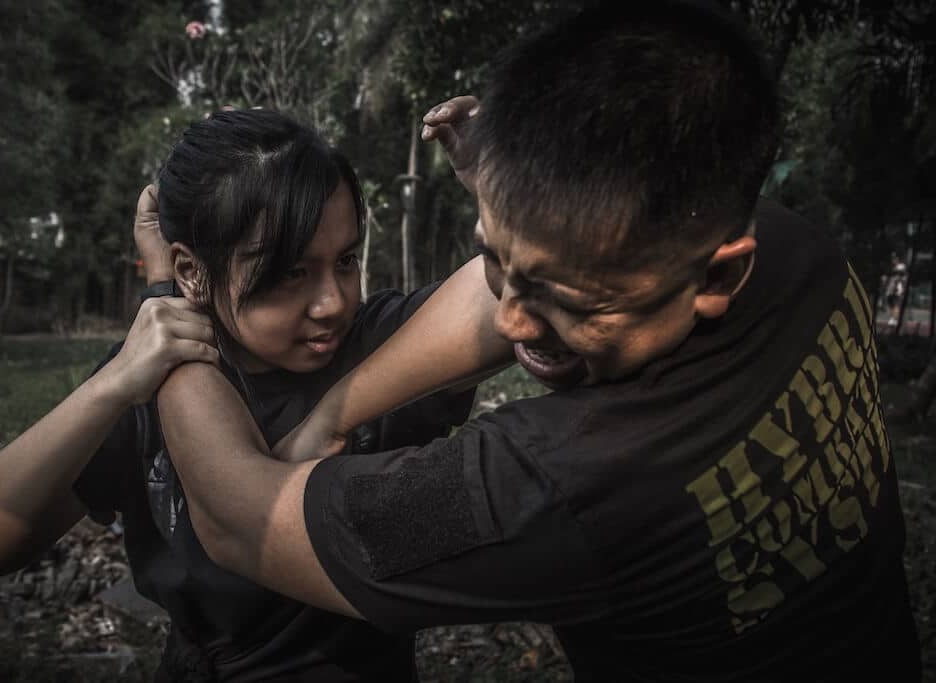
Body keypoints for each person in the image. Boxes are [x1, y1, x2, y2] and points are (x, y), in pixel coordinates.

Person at [145, 1, 922, 681]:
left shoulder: (551, 485)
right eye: (496, 258)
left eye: (562, 295)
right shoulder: (798, 253)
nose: (511, 321)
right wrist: (329, 417)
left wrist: (166, 297)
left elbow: (240, 519)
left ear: (714, 278)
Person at [0, 108, 496, 681]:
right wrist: (111, 383)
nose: (331, 303)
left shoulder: (378, 344)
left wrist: (505, 191)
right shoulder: (144, 384)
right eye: (289, 272)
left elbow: (506, 297)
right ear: (193, 269)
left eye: (346, 261)